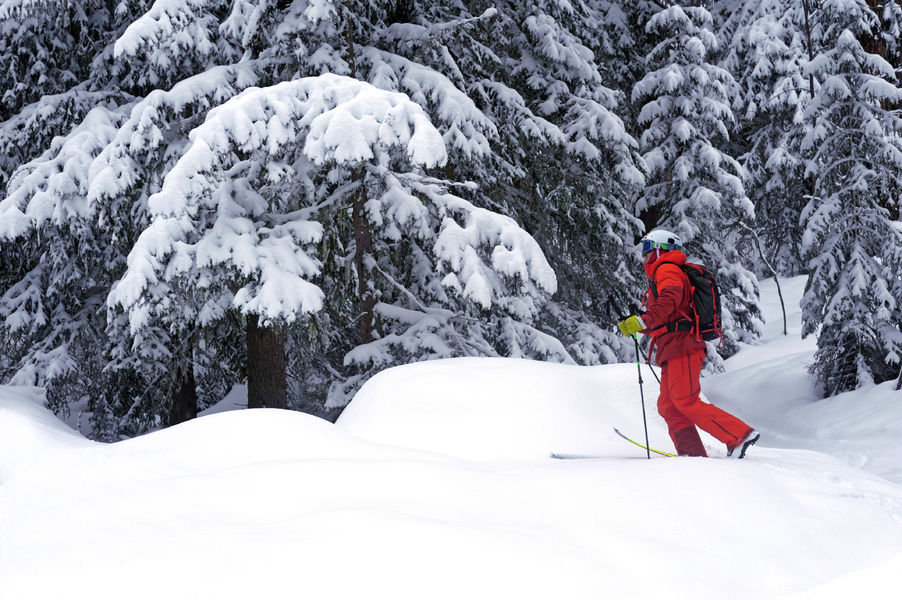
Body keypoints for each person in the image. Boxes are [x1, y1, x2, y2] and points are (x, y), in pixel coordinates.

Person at [617, 229, 760, 458]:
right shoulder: (664, 273)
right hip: (672, 347)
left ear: (661, 250)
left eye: (647, 249)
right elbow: (667, 317)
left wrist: (643, 320)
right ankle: (692, 456)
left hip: (682, 345)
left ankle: (739, 435)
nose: (643, 256)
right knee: (669, 406)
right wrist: (636, 325)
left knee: (685, 400)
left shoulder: (667, 268)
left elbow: (670, 299)